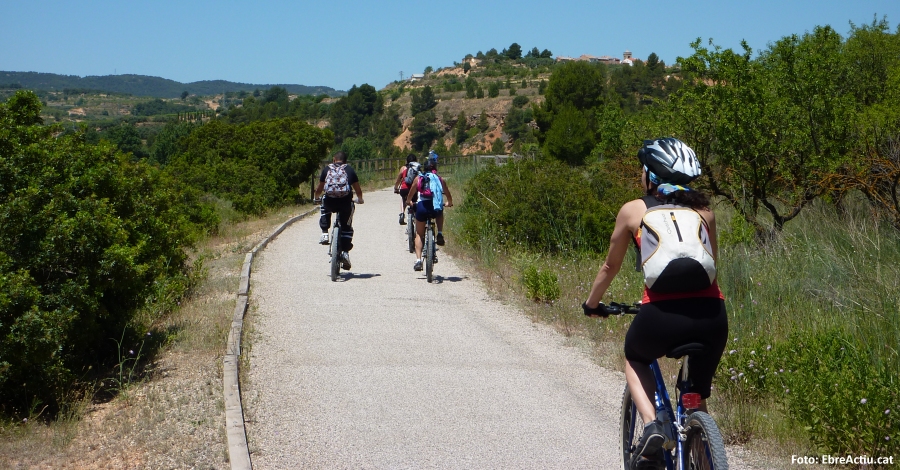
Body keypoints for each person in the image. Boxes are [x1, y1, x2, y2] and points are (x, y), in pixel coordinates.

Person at [582, 138, 728, 470]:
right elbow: (712, 264)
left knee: (636, 357)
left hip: (661, 316)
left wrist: (592, 304)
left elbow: (610, 266)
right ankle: (703, 444)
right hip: (712, 317)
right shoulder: (705, 211)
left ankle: (652, 426)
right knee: (695, 398)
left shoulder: (634, 210)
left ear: (650, 174)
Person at [314, 151, 364, 270]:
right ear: (345, 161)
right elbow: (358, 189)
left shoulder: (327, 169)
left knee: (323, 204)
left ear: (334, 159)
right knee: (347, 226)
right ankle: (345, 252)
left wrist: (316, 198)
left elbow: (320, 187)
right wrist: (360, 199)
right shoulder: (349, 170)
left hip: (330, 202)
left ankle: (325, 232)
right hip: (345, 203)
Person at [405, 157, 453, 271]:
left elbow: (411, 193)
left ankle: (418, 261)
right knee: (440, 210)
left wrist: (408, 201)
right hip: (435, 208)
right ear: (435, 168)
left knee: (419, 234)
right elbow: (447, 193)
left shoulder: (419, 178)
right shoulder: (440, 179)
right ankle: (440, 233)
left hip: (422, 207)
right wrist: (449, 202)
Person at [393, 154, 419, 225]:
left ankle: (402, 213)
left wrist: (396, 188)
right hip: (414, 189)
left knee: (403, 199)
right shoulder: (417, 168)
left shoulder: (403, 168)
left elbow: (398, 180)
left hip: (404, 189)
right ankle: (416, 216)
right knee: (415, 200)